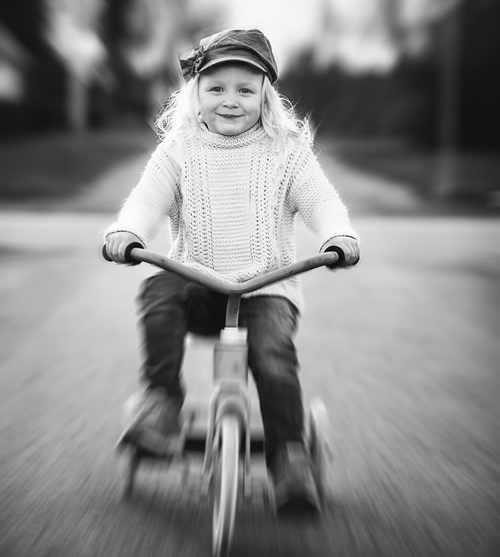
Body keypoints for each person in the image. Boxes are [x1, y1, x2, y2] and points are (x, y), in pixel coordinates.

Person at [103, 28, 360, 513]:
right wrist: (127, 231)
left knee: (272, 356)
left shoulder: (287, 151)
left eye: (245, 89)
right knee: (158, 289)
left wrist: (337, 235)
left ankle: (289, 458)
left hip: (266, 290)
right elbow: (145, 201)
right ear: (194, 93)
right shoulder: (180, 149)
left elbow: (323, 202)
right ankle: (160, 402)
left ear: (266, 94)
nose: (230, 100)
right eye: (216, 88)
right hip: (198, 287)